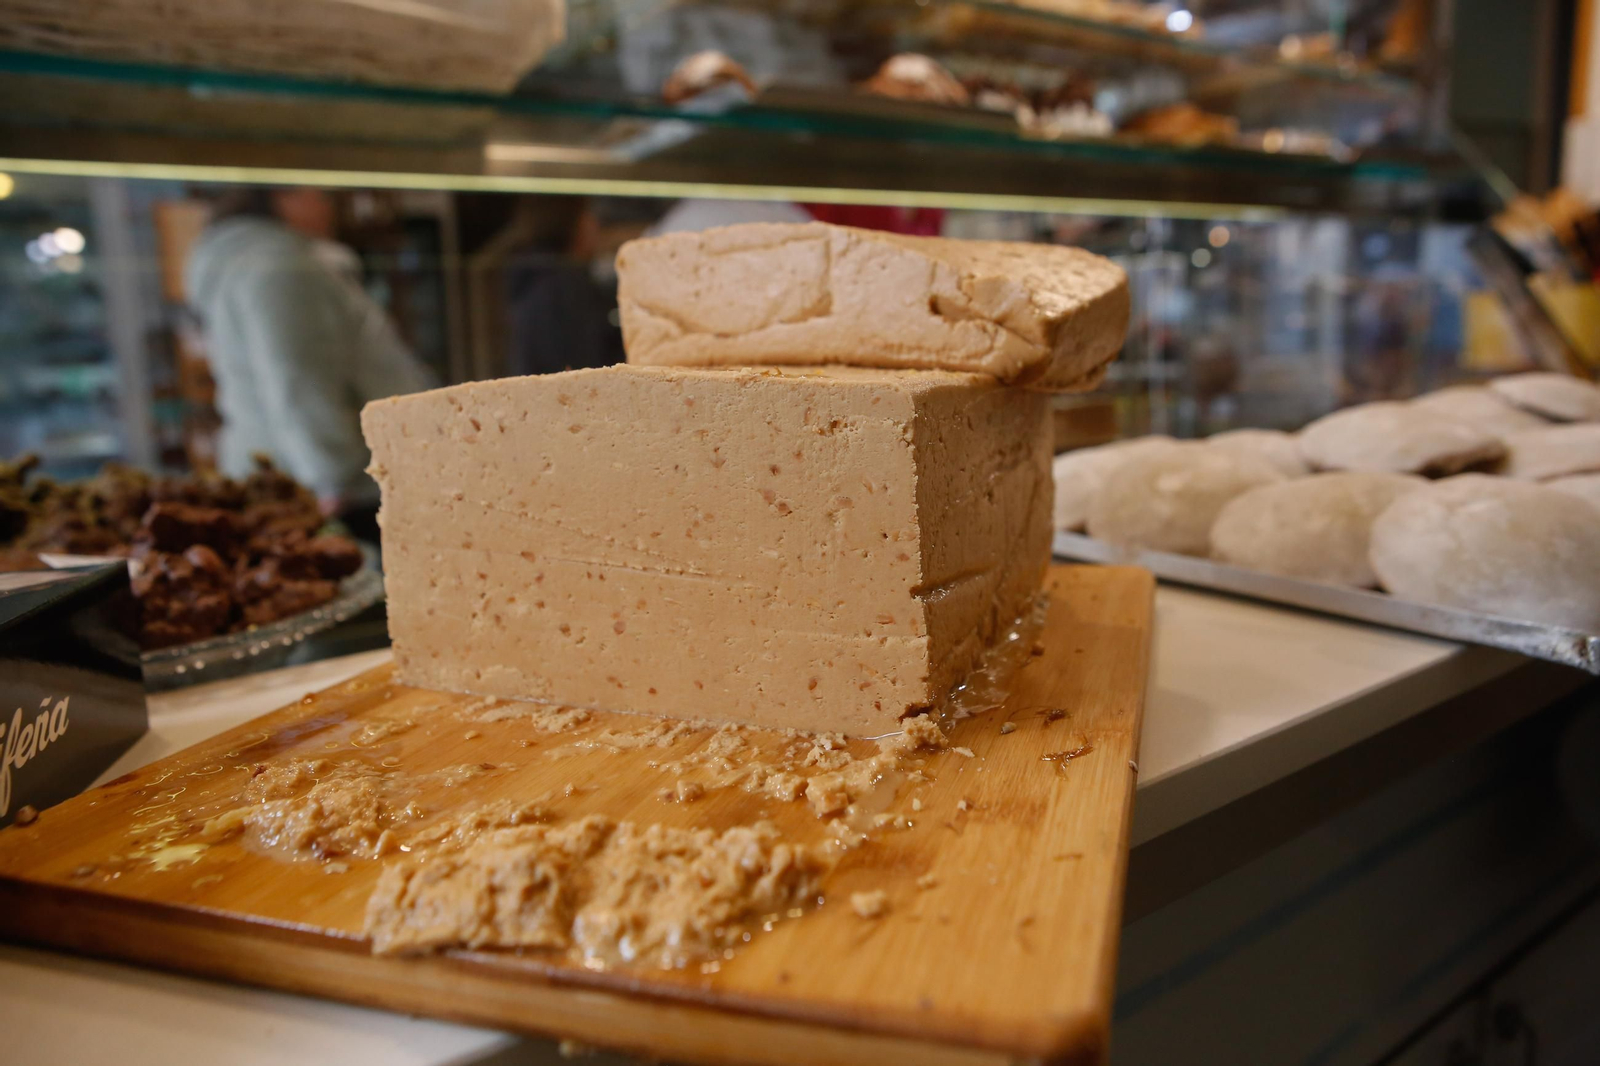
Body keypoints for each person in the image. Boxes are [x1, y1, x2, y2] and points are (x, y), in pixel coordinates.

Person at [184, 187, 434, 539]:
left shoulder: (250, 259)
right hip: (330, 494)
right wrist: (333, 482)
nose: (331, 208)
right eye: (322, 196)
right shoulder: (281, 266)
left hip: (297, 482)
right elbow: (298, 382)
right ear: (283, 196)